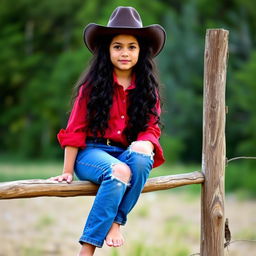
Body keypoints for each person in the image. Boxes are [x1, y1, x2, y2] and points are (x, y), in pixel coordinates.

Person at [49, 6, 166, 256]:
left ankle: (116, 223)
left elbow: (151, 128)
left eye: (131, 46)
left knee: (143, 155)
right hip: (90, 155)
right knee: (120, 171)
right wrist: (67, 171)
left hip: (123, 153)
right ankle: (87, 250)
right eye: (117, 46)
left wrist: (145, 142)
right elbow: (75, 130)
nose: (125, 52)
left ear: (141, 51)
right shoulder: (92, 87)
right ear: (107, 50)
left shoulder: (148, 90)